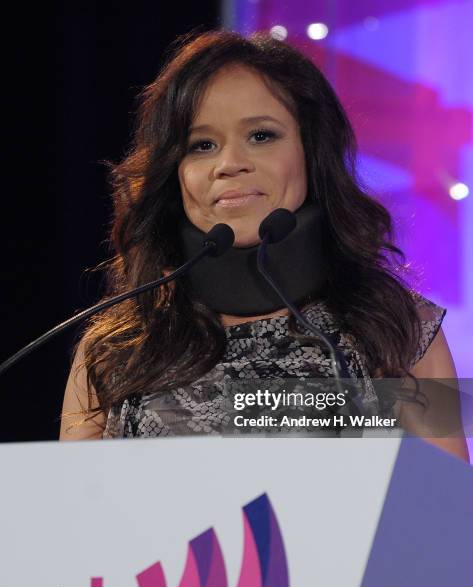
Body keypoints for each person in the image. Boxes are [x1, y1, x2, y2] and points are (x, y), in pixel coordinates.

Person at [59, 30, 469, 462]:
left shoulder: (402, 328)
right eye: (202, 145)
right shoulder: (115, 349)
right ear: (173, 172)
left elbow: (447, 516)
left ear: (312, 151)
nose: (229, 163)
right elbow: (77, 520)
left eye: (261, 136)